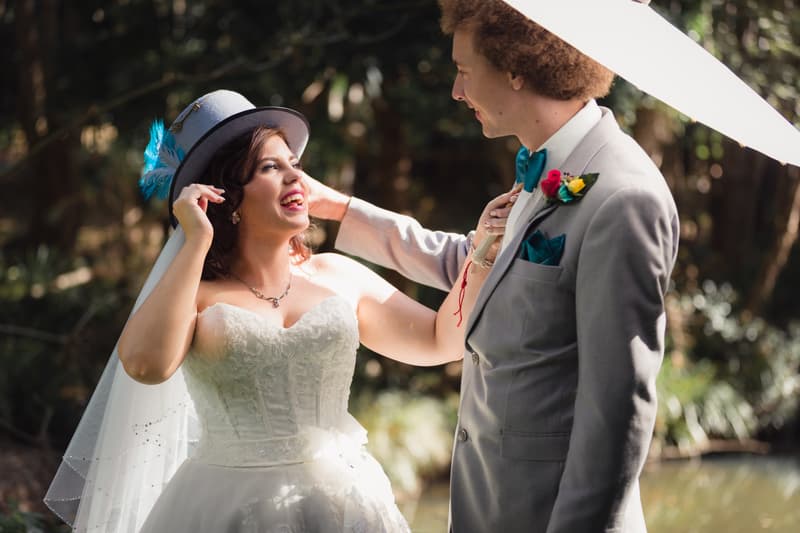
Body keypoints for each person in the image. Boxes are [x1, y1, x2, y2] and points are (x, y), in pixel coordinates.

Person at [43, 89, 515, 533]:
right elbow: (146, 366)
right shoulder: (196, 293)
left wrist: (483, 251)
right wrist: (196, 240)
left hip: (346, 505)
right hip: (224, 507)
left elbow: (439, 340)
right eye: (270, 167)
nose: (297, 177)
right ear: (223, 194)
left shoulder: (337, 274)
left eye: (294, 163)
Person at [307, 1, 680, 532]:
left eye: (463, 71)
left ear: (516, 67)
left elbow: (618, 414)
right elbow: (481, 268)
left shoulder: (623, 197)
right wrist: (342, 210)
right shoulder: (544, 165)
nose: (457, 92)